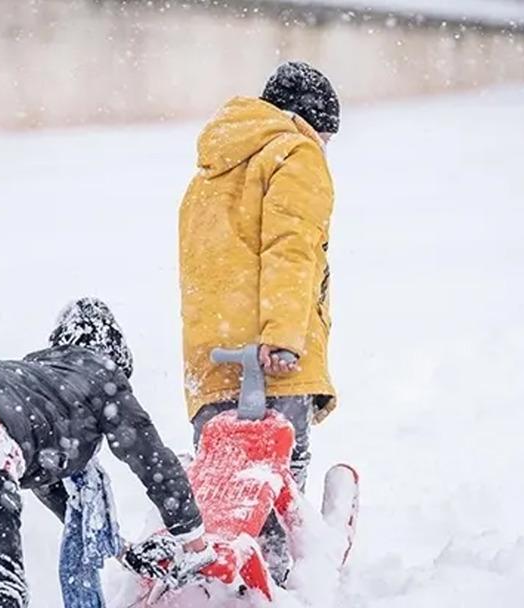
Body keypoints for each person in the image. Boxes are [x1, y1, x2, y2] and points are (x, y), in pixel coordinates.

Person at [0, 298, 212, 608]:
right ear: (115, 355)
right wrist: (196, 545)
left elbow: (56, 491)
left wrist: (122, 551)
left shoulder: (35, 384)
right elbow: (152, 462)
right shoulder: (100, 375)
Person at [178, 61, 342, 583]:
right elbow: (290, 250)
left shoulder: (210, 170)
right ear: (309, 121)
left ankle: (227, 581)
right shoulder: (296, 153)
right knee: (278, 476)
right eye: (327, 135)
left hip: (209, 361)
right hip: (272, 355)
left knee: (228, 490)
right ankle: (282, 580)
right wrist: (283, 336)